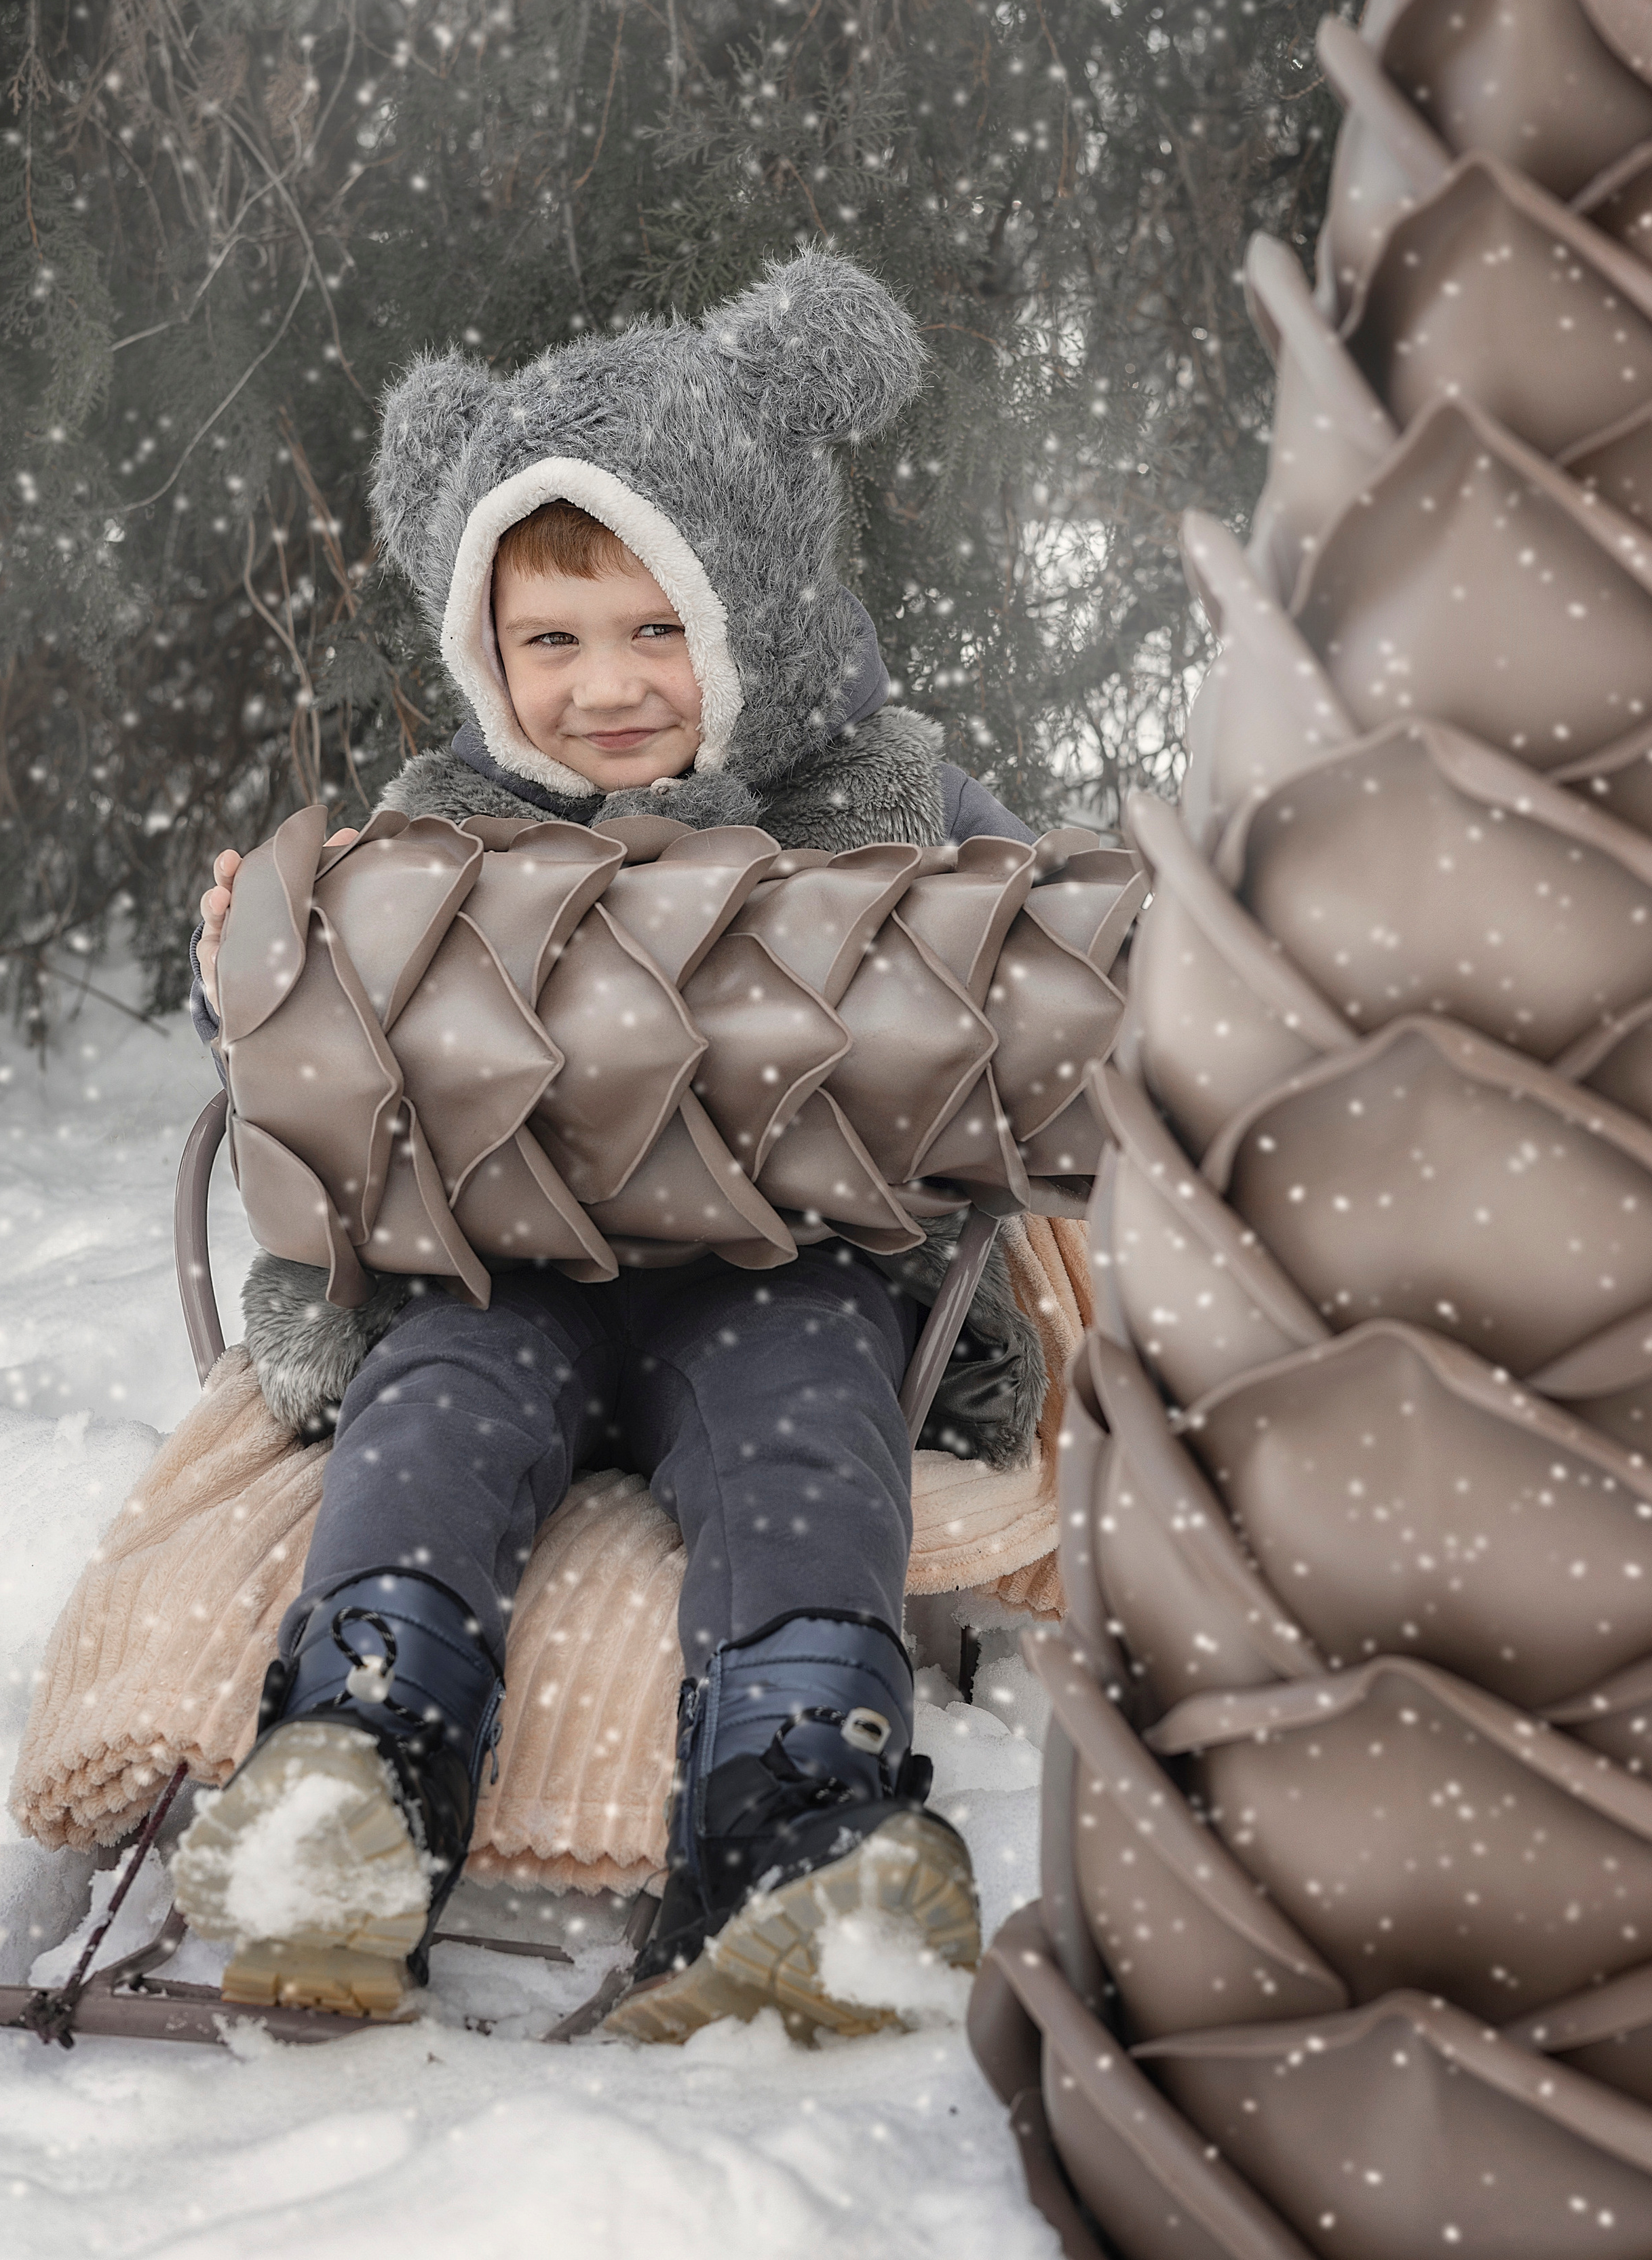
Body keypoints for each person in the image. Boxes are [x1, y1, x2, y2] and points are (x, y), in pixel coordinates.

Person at [172, 251, 1045, 2042]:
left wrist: (1024, 941)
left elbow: (1023, 984)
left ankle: (801, 1817)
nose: (610, 686)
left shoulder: (885, 794)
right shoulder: (440, 822)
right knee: (436, 1408)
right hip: (505, 1259)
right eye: (550, 642)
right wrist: (246, 967)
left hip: (789, 1262)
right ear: (484, 656)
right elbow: (322, 1058)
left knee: (811, 1439)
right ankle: (354, 1768)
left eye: (664, 625)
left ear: (756, 599)